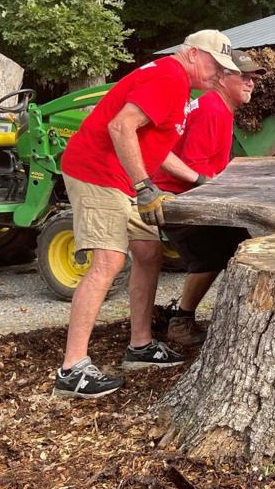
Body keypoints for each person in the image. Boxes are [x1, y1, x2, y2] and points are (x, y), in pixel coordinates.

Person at [53, 30, 240, 399]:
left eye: (224, 69)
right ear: (191, 54)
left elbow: (152, 143)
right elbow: (120, 127)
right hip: (97, 172)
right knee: (107, 262)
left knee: (149, 253)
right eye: (214, 65)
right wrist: (145, 187)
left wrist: (197, 178)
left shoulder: (180, 86)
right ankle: (72, 369)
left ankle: (140, 347)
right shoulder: (169, 76)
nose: (219, 74)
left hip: (125, 178)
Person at [152, 49, 265, 345]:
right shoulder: (212, 109)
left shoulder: (219, 107)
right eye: (244, 76)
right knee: (219, 251)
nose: (251, 82)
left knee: (239, 241)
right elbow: (194, 167)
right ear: (222, 77)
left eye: (253, 78)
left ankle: (191, 315)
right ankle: (181, 321)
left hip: (186, 195)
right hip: (178, 199)